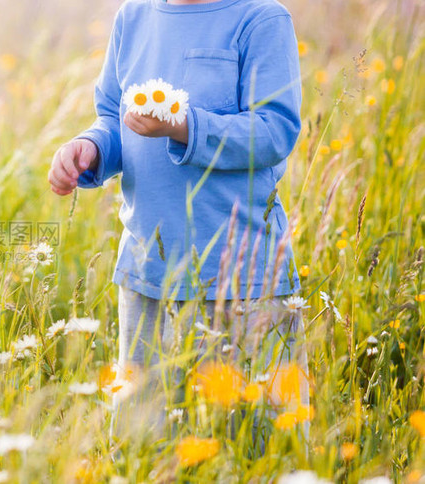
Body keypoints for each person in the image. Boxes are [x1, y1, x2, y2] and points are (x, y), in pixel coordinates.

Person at [48, 0, 310, 443]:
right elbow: (114, 117)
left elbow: (274, 130)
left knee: (254, 441)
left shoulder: (260, 18)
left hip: (239, 282)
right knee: (146, 441)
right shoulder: (134, 18)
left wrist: (186, 126)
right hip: (149, 275)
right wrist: (91, 145)